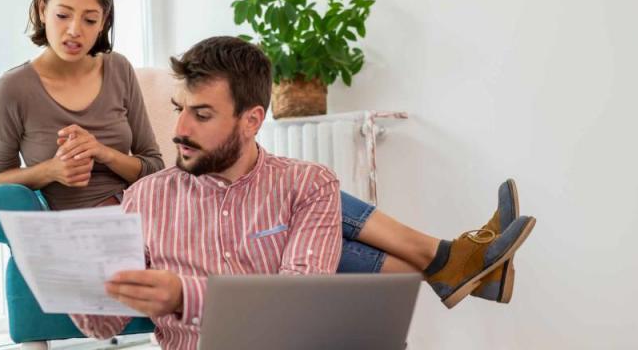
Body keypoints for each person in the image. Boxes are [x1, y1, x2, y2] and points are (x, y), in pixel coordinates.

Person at [69, 36, 537, 350]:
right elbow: (106, 324)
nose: (180, 129)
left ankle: (450, 263)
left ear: (251, 120)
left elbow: (293, 311)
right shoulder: (146, 199)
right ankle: (449, 262)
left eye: (202, 115)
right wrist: (77, 290)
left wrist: (182, 295)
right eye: (178, 109)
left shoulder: (308, 185)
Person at [0, 0, 164, 212]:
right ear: (42, 10)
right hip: (59, 231)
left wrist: (103, 153)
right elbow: (0, 180)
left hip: (129, 222)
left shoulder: (119, 69)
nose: (74, 30)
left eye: (89, 20)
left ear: (103, 22)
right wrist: (51, 171)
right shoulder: (10, 90)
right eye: (62, 15)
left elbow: (154, 166)